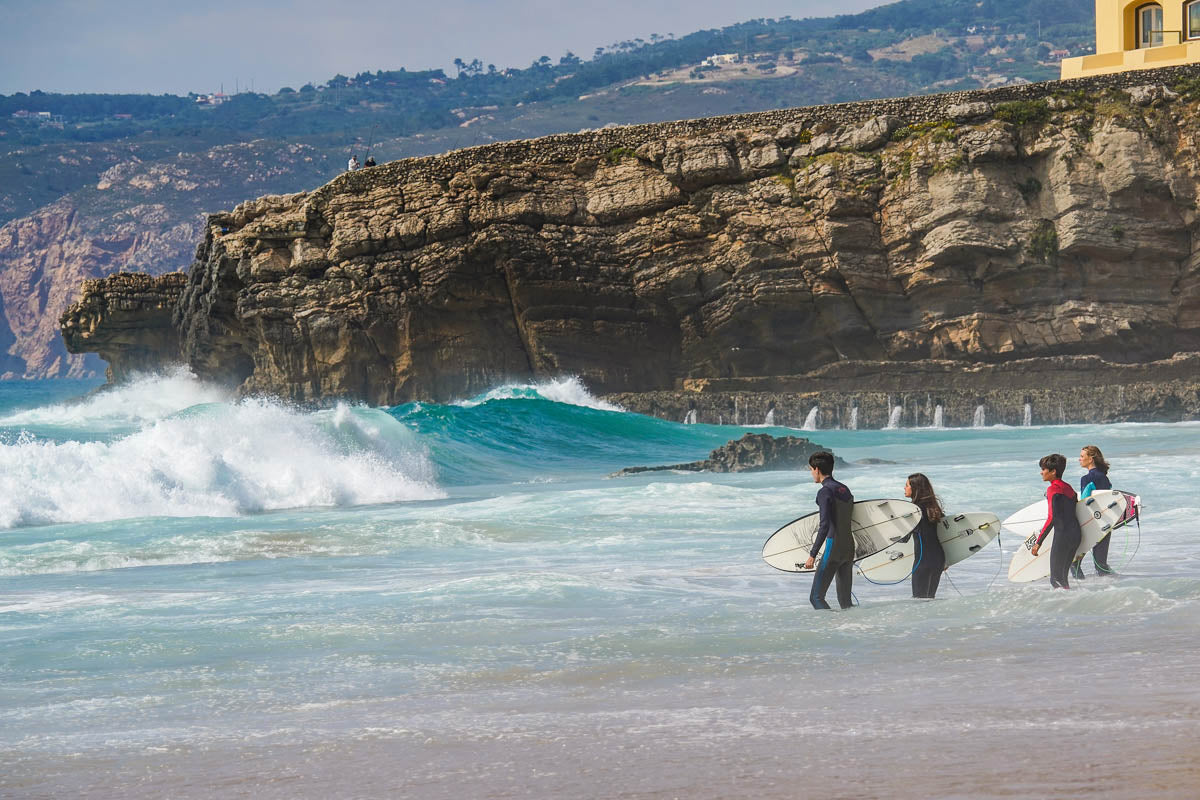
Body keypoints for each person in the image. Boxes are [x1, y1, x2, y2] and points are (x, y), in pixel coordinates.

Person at [802, 451, 855, 610]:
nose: (811, 473)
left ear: (817, 469)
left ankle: (831, 630)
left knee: (816, 598)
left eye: (811, 470)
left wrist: (812, 554)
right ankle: (853, 629)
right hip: (849, 548)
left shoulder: (825, 491)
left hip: (833, 548)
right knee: (846, 602)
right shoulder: (845, 489)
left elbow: (824, 525)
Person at [1030, 453, 1080, 589]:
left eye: (1044, 469)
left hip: (1063, 535)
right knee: (1063, 578)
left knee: (1055, 579)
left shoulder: (1053, 489)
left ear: (1053, 472)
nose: (1041, 473)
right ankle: (1071, 601)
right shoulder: (1069, 488)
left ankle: (1065, 605)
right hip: (1076, 535)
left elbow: (1052, 517)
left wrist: (1038, 543)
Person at [899, 473, 947, 599]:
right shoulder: (933, 508)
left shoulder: (914, 511)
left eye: (907, 485)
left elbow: (904, 539)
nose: (904, 488)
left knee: (919, 602)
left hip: (922, 561)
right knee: (929, 600)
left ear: (915, 488)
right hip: (938, 559)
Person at [1072, 445, 1115, 578]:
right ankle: (1111, 586)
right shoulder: (1104, 477)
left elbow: (1085, 501)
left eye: (1082, 456)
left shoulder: (1087, 479)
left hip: (1091, 523)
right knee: (1101, 564)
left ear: (1091, 459)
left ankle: (1081, 589)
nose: (1079, 459)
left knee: (1074, 563)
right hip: (1106, 522)